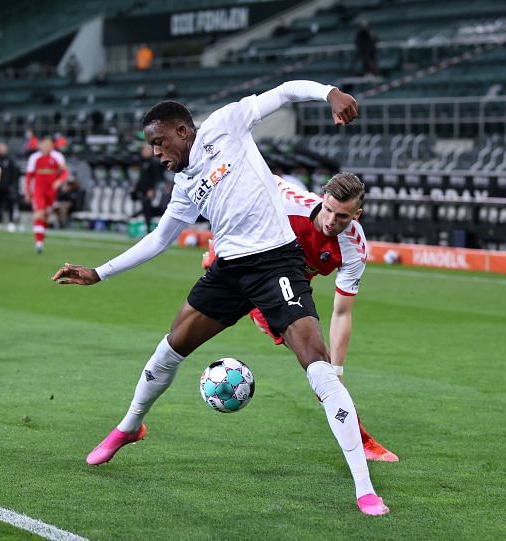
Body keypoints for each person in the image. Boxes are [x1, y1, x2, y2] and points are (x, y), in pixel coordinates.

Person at [51, 80, 390, 516]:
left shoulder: (226, 124)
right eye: (151, 145)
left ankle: (364, 487)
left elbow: (285, 92)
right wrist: (99, 272)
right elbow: (158, 240)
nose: (155, 152)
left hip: (276, 264)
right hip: (228, 272)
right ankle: (129, 427)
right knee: (169, 349)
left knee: (318, 366)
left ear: (182, 130)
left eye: (159, 142)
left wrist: (329, 93)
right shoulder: (185, 187)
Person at [204, 173, 399, 462]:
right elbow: (251, 181)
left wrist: (338, 370)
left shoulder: (353, 247)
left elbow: (342, 312)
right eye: (328, 209)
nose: (332, 220)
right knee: (314, 362)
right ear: (322, 199)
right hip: (256, 262)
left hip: (292, 288)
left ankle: (360, 440)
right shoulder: (290, 204)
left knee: (324, 369)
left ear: (357, 214)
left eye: (343, 216)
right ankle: (363, 442)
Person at [24, 135, 69, 253]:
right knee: (39, 213)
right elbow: (28, 177)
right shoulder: (34, 157)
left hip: (51, 192)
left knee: (46, 216)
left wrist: (59, 181)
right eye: (44, 144)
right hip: (38, 190)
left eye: (49, 144)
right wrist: (28, 192)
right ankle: (38, 243)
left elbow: (65, 172)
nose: (47, 146)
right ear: (40, 145)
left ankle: (41, 239)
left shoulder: (57, 156)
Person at [131, 144, 165, 232]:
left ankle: (149, 229)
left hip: (149, 190)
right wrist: (136, 187)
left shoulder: (154, 163)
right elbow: (141, 177)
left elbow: (156, 178)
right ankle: (143, 225)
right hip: (142, 188)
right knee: (144, 207)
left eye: (146, 150)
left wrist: (152, 189)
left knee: (148, 209)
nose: (144, 152)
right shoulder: (142, 162)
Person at [0, 142, 20, 232]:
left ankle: (11, 222)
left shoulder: (10, 159)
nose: (2, 149)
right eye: (0, 148)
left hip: (8, 187)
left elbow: (14, 173)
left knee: (10, 205)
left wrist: (13, 185)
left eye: (3, 148)